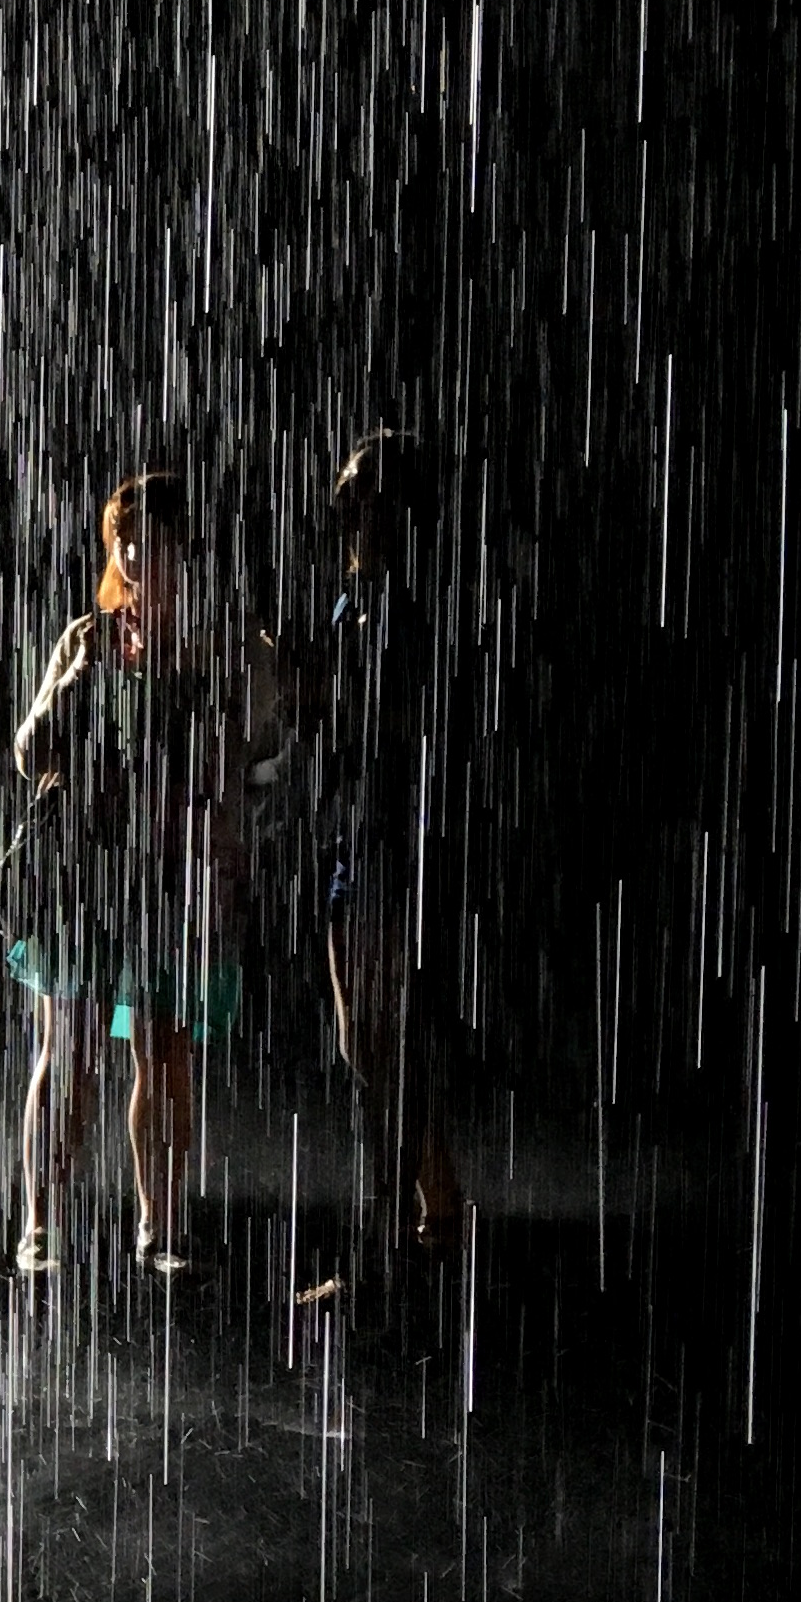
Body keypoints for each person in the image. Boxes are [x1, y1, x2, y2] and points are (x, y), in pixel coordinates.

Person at [0, 469, 250, 1278]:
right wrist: (79, 681)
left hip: (166, 877)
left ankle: (162, 1227)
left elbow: (237, 761)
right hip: (83, 873)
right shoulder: (86, 636)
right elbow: (28, 753)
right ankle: (42, 1226)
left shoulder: (211, 651)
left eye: (158, 539)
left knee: (163, 1052)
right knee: (69, 1051)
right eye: (127, 539)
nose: (143, 554)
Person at [309, 426, 467, 1281]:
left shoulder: (414, 606)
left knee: (381, 1050)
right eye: (351, 492)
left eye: (368, 492)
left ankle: (381, 1249)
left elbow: (405, 732)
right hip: (355, 839)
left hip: (395, 843)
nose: (352, 506)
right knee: (369, 1047)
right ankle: (434, 1209)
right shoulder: (355, 601)